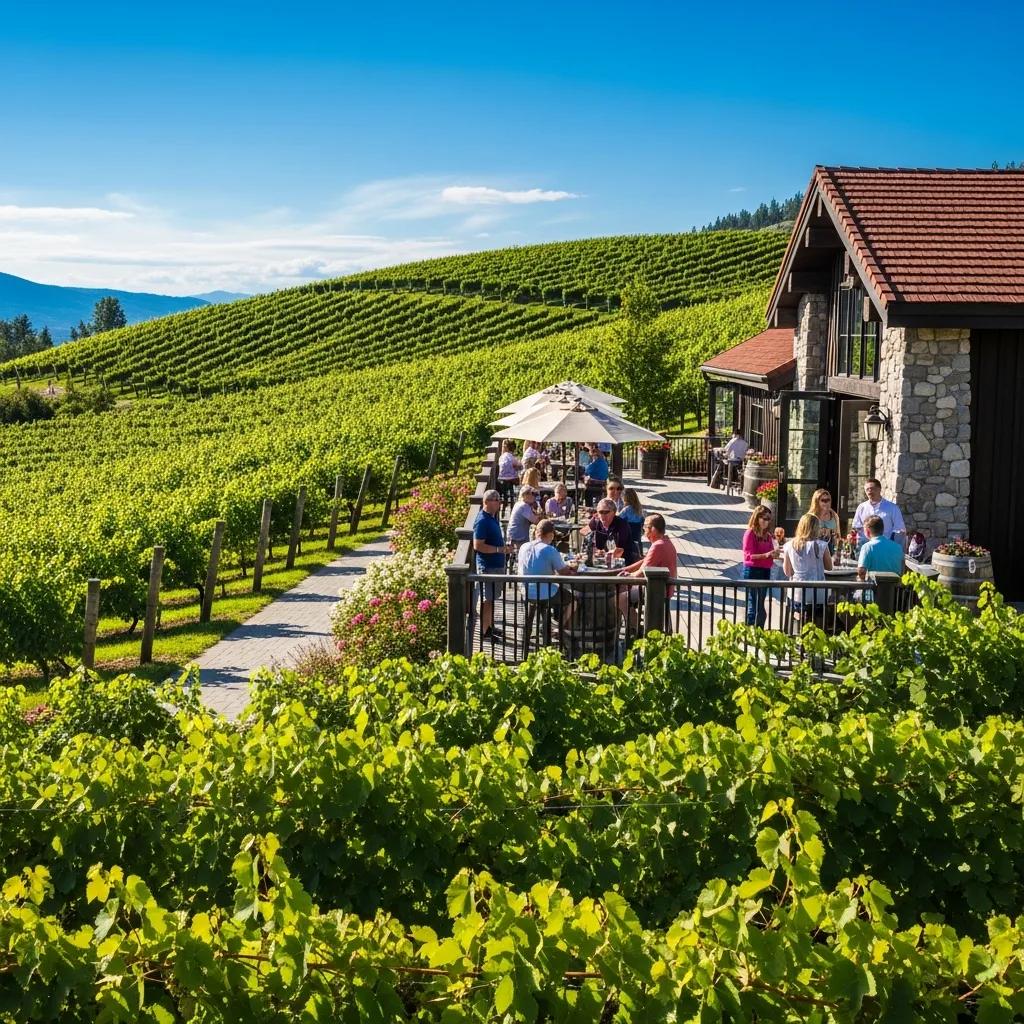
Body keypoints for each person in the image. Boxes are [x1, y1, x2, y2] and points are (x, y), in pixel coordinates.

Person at [616, 513, 679, 632]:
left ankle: (636, 629)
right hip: (662, 588)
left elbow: (640, 573)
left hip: (655, 591)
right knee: (622, 589)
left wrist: (625, 576)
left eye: (645, 526)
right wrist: (623, 570)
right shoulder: (665, 542)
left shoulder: (657, 546)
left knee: (619, 596)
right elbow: (643, 562)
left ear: (653, 530)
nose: (643, 529)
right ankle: (632, 625)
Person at [517, 518, 578, 633]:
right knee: (573, 600)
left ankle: (532, 631)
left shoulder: (523, 547)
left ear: (536, 532)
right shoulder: (549, 549)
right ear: (550, 535)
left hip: (525, 591)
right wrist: (573, 567)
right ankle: (559, 629)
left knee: (549, 594)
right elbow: (563, 572)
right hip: (544, 592)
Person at [472, 489, 511, 641]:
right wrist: (499, 549)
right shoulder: (482, 520)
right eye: (495, 499)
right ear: (486, 501)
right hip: (487, 566)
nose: (499, 502)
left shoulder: (493, 518)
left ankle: (490, 625)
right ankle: (484, 632)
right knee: (486, 599)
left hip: (496, 565)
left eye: (499, 498)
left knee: (492, 598)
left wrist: (504, 547)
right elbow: (478, 545)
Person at [783, 513, 834, 612]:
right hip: (818, 594)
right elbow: (829, 567)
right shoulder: (822, 545)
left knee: (798, 621)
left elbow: (788, 572)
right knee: (819, 623)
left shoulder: (788, 545)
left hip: (797, 593)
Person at [742, 505, 781, 627]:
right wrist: (767, 555)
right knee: (752, 602)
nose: (766, 522)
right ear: (757, 518)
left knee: (761, 603)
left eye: (768, 519)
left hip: (765, 570)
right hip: (752, 569)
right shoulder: (750, 533)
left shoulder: (768, 536)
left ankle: (759, 630)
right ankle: (749, 631)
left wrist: (775, 554)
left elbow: (770, 553)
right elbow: (749, 556)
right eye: (763, 518)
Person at [852, 478, 907, 546]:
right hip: (866, 547)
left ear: (879, 489)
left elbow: (899, 529)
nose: (869, 491)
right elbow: (857, 527)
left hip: (886, 547)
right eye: (867, 489)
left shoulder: (892, 508)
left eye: (872, 488)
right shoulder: (861, 507)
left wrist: (893, 548)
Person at [857, 515, 905, 580]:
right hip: (895, 588)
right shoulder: (898, 547)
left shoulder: (867, 547)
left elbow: (861, 572)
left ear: (868, 531)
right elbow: (902, 571)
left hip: (873, 588)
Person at [807, 489, 840, 554]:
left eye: (828, 500)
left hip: (830, 549)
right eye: (823, 500)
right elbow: (805, 536)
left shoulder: (833, 515)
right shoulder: (811, 516)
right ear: (816, 501)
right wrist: (821, 532)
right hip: (815, 550)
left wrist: (838, 550)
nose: (826, 503)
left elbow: (838, 535)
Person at [618, 487, 645, 563]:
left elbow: (618, 519)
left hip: (629, 535)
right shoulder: (639, 508)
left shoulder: (627, 509)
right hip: (637, 535)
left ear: (625, 498)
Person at [497, 440, 522, 506]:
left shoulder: (501, 457)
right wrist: (519, 464)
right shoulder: (511, 457)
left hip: (501, 478)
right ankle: (515, 499)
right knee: (518, 479)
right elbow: (518, 466)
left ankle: (505, 499)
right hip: (511, 479)